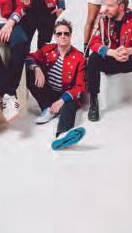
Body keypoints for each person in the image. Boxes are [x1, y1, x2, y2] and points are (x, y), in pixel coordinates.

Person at [86, 0, 132, 121]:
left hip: (127, 58)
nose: (106, 9)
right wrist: (111, 52)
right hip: (110, 59)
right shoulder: (102, 17)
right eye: (106, 5)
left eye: (110, 6)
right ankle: (93, 101)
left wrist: (130, 50)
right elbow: (93, 42)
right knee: (93, 58)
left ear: (121, 6)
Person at [25, 20, 86, 150]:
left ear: (70, 35)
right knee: (29, 72)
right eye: (59, 34)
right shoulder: (48, 49)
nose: (63, 36)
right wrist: (36, 68)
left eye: (66, 33)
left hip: (67, 94)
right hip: (49, 90)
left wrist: (62, 100)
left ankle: (62, 135)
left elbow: (80, 86)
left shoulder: (79, 57)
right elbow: (29, 57)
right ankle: (47, 108)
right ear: (55, 36)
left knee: (69, 106)